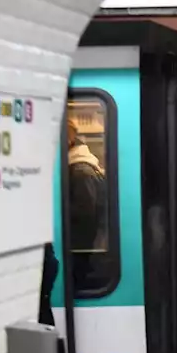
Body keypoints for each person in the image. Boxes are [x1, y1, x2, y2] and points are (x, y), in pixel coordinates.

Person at [67, 118, 108, 290]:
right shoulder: (78, 167)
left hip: (81, 248)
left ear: (68, 138)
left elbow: (85, 212)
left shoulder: (80, 171)